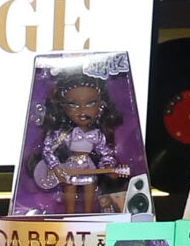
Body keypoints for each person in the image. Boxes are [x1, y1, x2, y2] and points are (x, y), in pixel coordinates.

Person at [32, 72, 128, 213]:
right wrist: (56, 166)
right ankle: (69, 217)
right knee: (69, 198)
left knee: (89, 195)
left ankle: (88, 218)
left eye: (90, 103)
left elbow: (105, 153)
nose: (83, 110)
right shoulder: (64, 134)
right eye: (73, 104)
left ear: (101, 106)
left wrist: (108, 166)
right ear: (63, 107)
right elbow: (47, 150)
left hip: (88, 167)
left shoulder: (96, 135)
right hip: (69, 168)